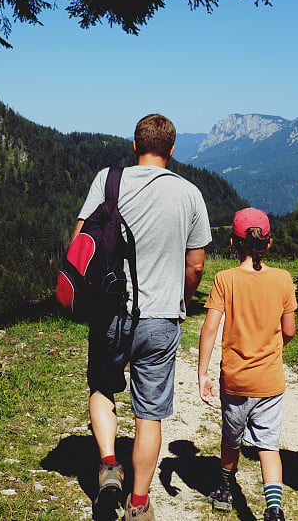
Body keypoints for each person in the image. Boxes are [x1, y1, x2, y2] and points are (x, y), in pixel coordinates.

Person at [72, 114, 212, 521]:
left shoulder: (108, 180)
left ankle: (109, 465)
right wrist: (181, 299)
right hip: (161, 318)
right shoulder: (189, 194)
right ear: (172, 150)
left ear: (134, 146)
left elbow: (81, 240)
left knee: (102, 388)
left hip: (110, 313)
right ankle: (138, 503)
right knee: (149, 414)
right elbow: (197, 264)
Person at [198, 207, 297, 521]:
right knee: (268, 446)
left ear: (232, 243)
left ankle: (226, 491)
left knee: (232, 439)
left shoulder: (225, 279)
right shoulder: (283, 278)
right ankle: (274, 509)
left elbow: (210, 328)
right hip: (270, 382)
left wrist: (202, 374)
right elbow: (290, 329)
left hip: (236, 381)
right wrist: (274, 348)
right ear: (268, 243)